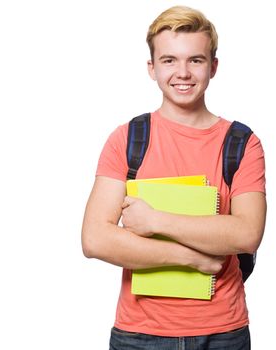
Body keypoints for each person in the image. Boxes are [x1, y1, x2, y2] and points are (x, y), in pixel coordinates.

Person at [80, 6, 263, 349]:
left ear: (214, 66)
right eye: (169, 60)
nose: (183, 73)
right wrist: (191, 257)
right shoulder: (128, 138)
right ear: (151, 68)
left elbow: (247, 233)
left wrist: (154, 220)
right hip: (139, 335)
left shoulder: (242, 143)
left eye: (195, 60)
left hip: (223, 332)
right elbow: (94, 239)